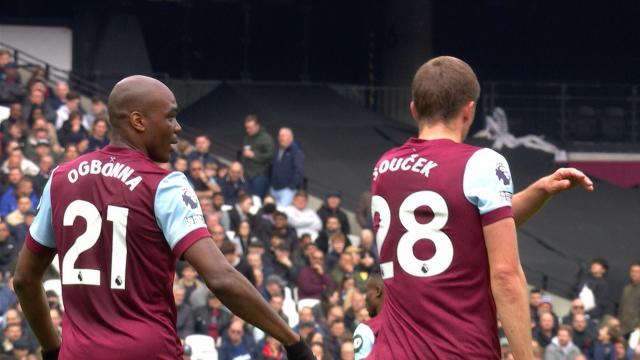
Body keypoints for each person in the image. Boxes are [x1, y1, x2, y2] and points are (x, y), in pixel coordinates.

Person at [13, 75, 313, 360]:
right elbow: (221, 278)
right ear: (138, 121)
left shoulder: (61, 179)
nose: (178, 127)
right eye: (169, 116)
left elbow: (25, 280)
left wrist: (53, 350)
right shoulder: (164, 185)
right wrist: (293, 341)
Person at [368, 56, 593, 359]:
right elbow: (505, 276)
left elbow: (461, 227)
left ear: (413, 109)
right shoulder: (482, 163)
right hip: (459, 350)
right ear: (469, 110)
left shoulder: (384, 167)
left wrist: (539, 191)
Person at [241, 114, 274, 199]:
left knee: (256, 200)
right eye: (246, 127)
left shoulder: (266, 138)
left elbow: (270, 156)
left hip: (259, 175)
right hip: (247, 174)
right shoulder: (247, 137)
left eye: (250, 128)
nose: (248, 130)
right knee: (246, 198)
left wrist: (253, 155)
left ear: (257, 126)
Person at [270, 127, 304, 207]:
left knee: (281, 213)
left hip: (287, 190)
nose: (281, 138)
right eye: (280, 136)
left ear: (291, 138)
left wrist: (291, 187)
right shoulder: (277, 149)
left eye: (283, 136)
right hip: (274, 188)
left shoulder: (296, 151)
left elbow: (299, 171)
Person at [353, 271, 383, 360]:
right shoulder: (408, 323)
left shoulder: (366, 329)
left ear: (378, 291)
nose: (365, 298)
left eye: (367, 291)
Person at [618, 262, 640, 338]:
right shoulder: (626, 288)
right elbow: (621, 308)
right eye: (632, 271)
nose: (634, 274)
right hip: (623, 328)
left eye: (637, 272)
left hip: (636, 329)